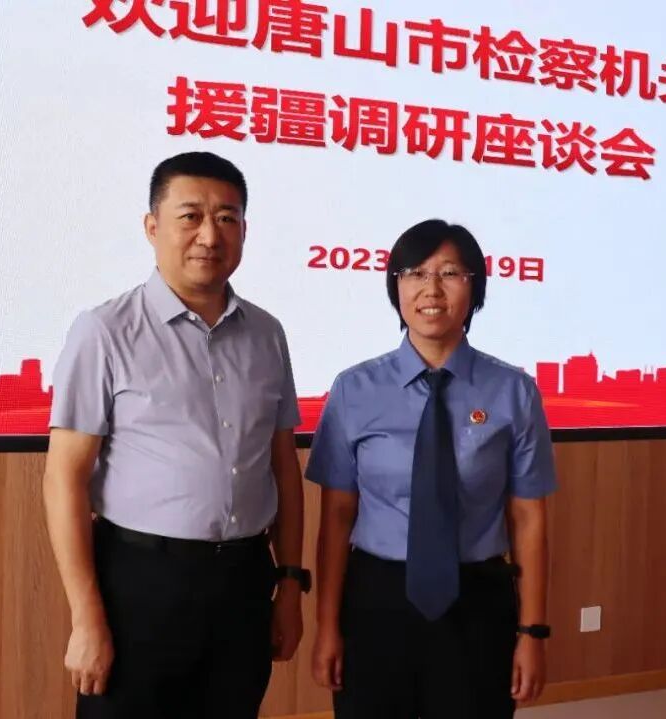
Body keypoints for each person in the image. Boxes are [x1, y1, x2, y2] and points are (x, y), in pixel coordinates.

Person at [42, 151, 309, 719]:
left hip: (243, 583)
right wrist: (86, 618)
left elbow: (283, 467)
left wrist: (289, 584)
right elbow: (64, 478)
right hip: (140, 584)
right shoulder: (104, 331)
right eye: (191, 216)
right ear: (152, 226)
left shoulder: (267, 334)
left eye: (227, 218)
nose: (210, 235)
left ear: (244, 230)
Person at [306, 219, 557, 718]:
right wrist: (327, 626)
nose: (432, 289)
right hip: (376, 601)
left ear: (475, 287)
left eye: (450, 273)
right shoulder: (354, 390)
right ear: (395, 286)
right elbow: (335, 518)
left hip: (478, 601)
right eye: (415, 273)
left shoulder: (514, 392)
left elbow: (528, 519)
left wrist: (532, 633)